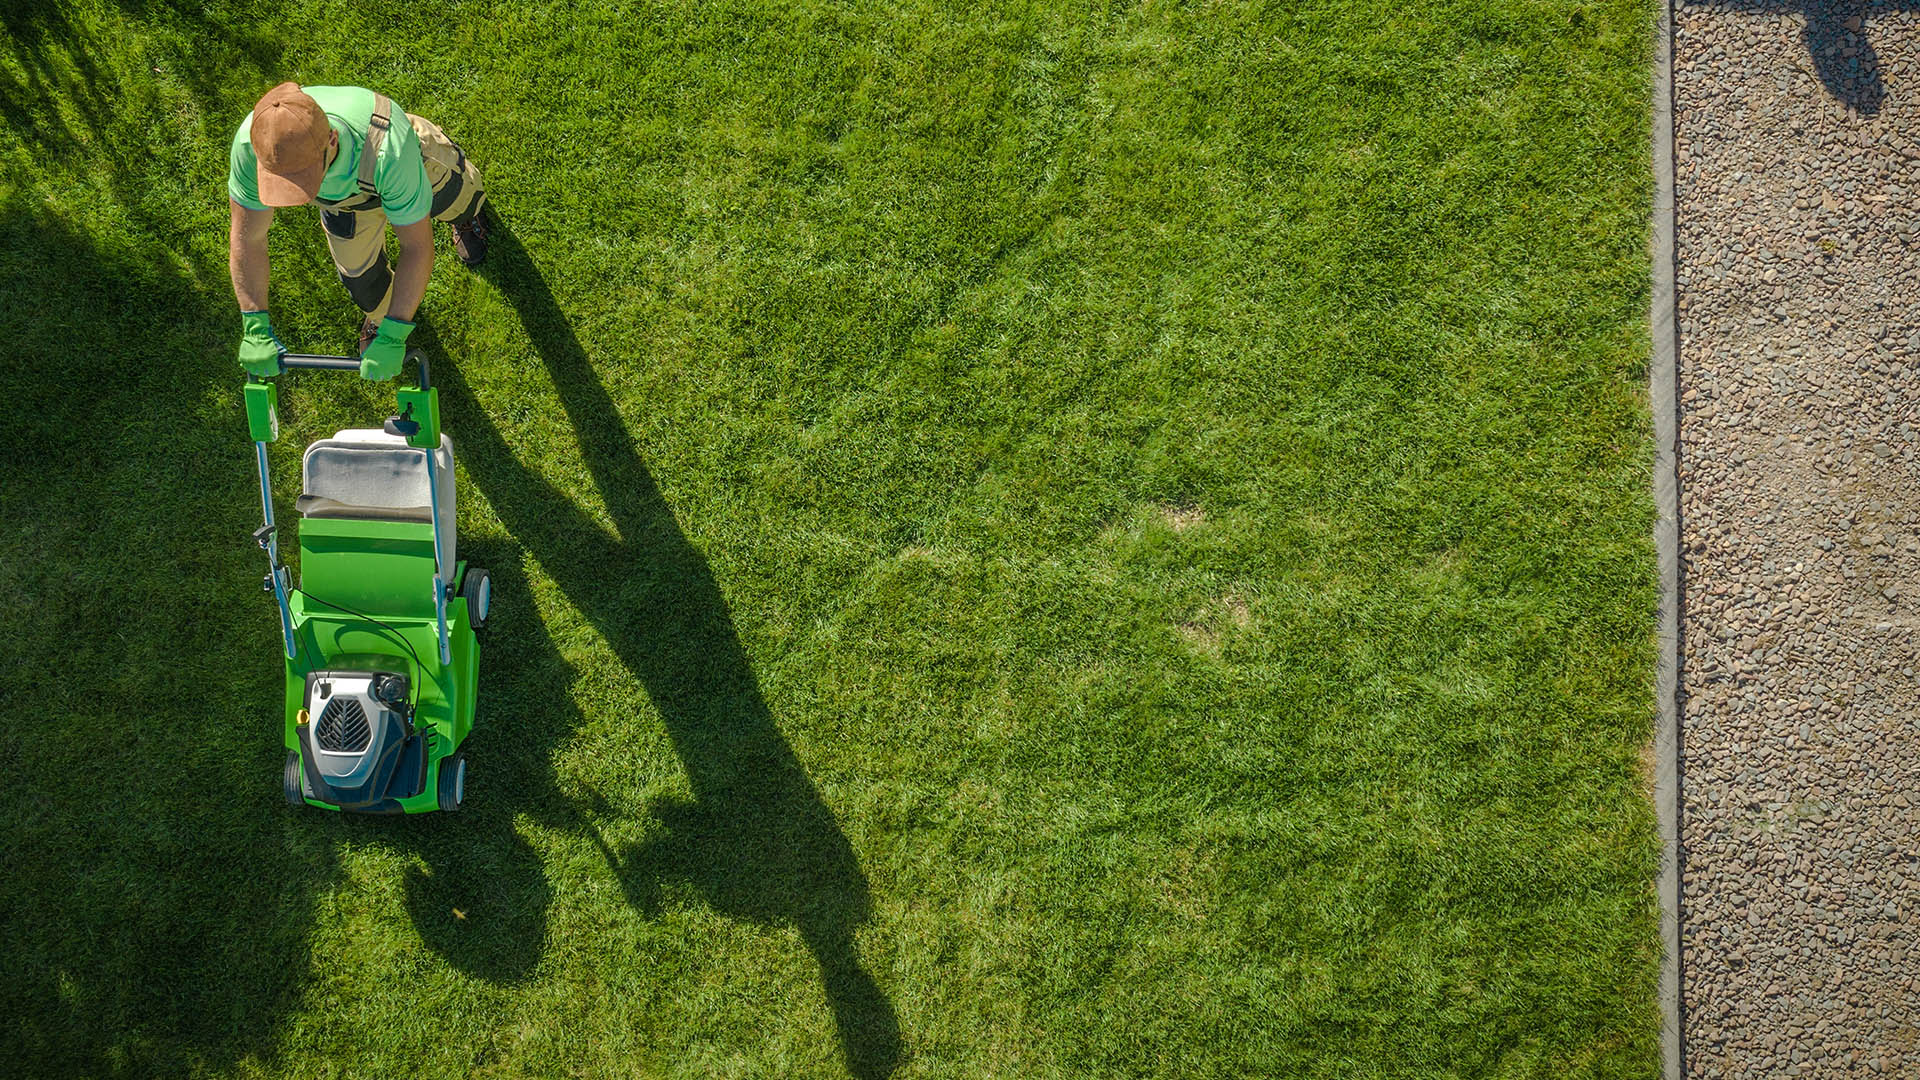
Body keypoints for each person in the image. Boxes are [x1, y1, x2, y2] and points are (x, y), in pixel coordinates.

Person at [227, 82, 490, 381]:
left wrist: (395, 336)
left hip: (406, 161)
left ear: (332, 141)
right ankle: (380, 319)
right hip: (344, 202)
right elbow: (247, 238)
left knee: (460, 199)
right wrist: (255, 324)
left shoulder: (388, 149)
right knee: (361, 279)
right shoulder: (254, 147)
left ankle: (467, 215)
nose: (296, 196)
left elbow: (416, 246)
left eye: (303, 178)